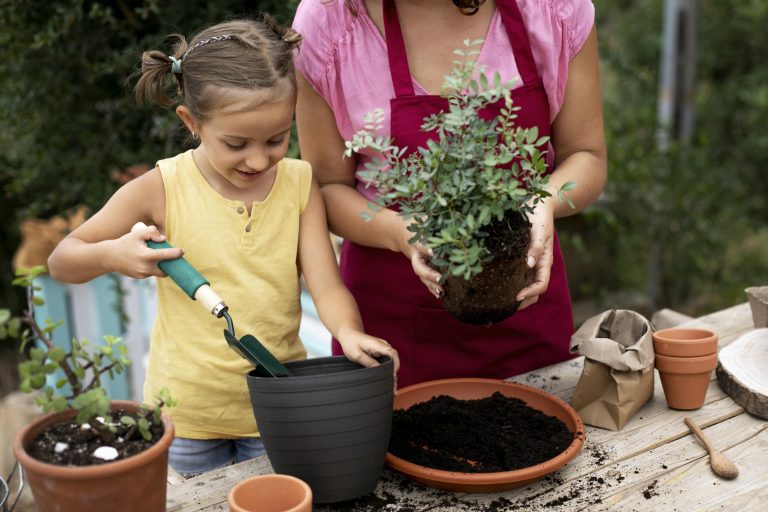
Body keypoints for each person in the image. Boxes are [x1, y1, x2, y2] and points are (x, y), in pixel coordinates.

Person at [47, 15, 399, 477]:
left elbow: (327, 286)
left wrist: (349, 333)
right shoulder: (162, 187)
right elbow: (62, 260)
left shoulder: (299, 184)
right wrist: (115, 254)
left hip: (277, 406)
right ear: (191, 122)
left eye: (276, 139)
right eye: (236, 143)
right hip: (187, 418)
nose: (258, 159)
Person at [292, 0, 607, 388]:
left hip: (525, 314)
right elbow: (327, 186)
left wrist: (542, 201)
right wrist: (399, 231)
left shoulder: (551, 9)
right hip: (391, 333)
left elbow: (586, 156)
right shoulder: (330, 20)